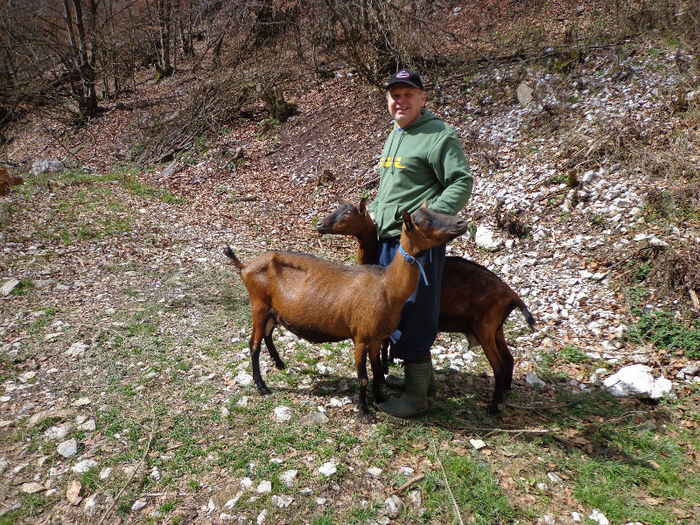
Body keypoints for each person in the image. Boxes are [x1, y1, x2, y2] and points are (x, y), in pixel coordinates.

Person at [367, 69, 473, 418]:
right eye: (395, 94)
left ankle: (417, 399)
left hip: (417, 245)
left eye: (408, 94)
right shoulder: (395, 134)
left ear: (423, 98)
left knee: (414, 309)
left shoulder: (438, 135)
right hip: (388, 238)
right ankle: (421, 381)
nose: (401, 100)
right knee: (393, 308)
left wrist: (428, 218)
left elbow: (460, 182)